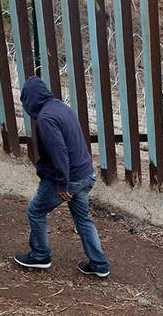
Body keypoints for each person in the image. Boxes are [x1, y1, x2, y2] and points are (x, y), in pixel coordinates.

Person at [13, 77, 110, 278]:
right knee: (83, 219)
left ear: (31, 99)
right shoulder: (61, 107)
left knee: (35, 211)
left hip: (69, 179)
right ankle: (100, 264)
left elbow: (60, 152)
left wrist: (62, 183)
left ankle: (40, 256)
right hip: (86, 174)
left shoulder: (46, 119)